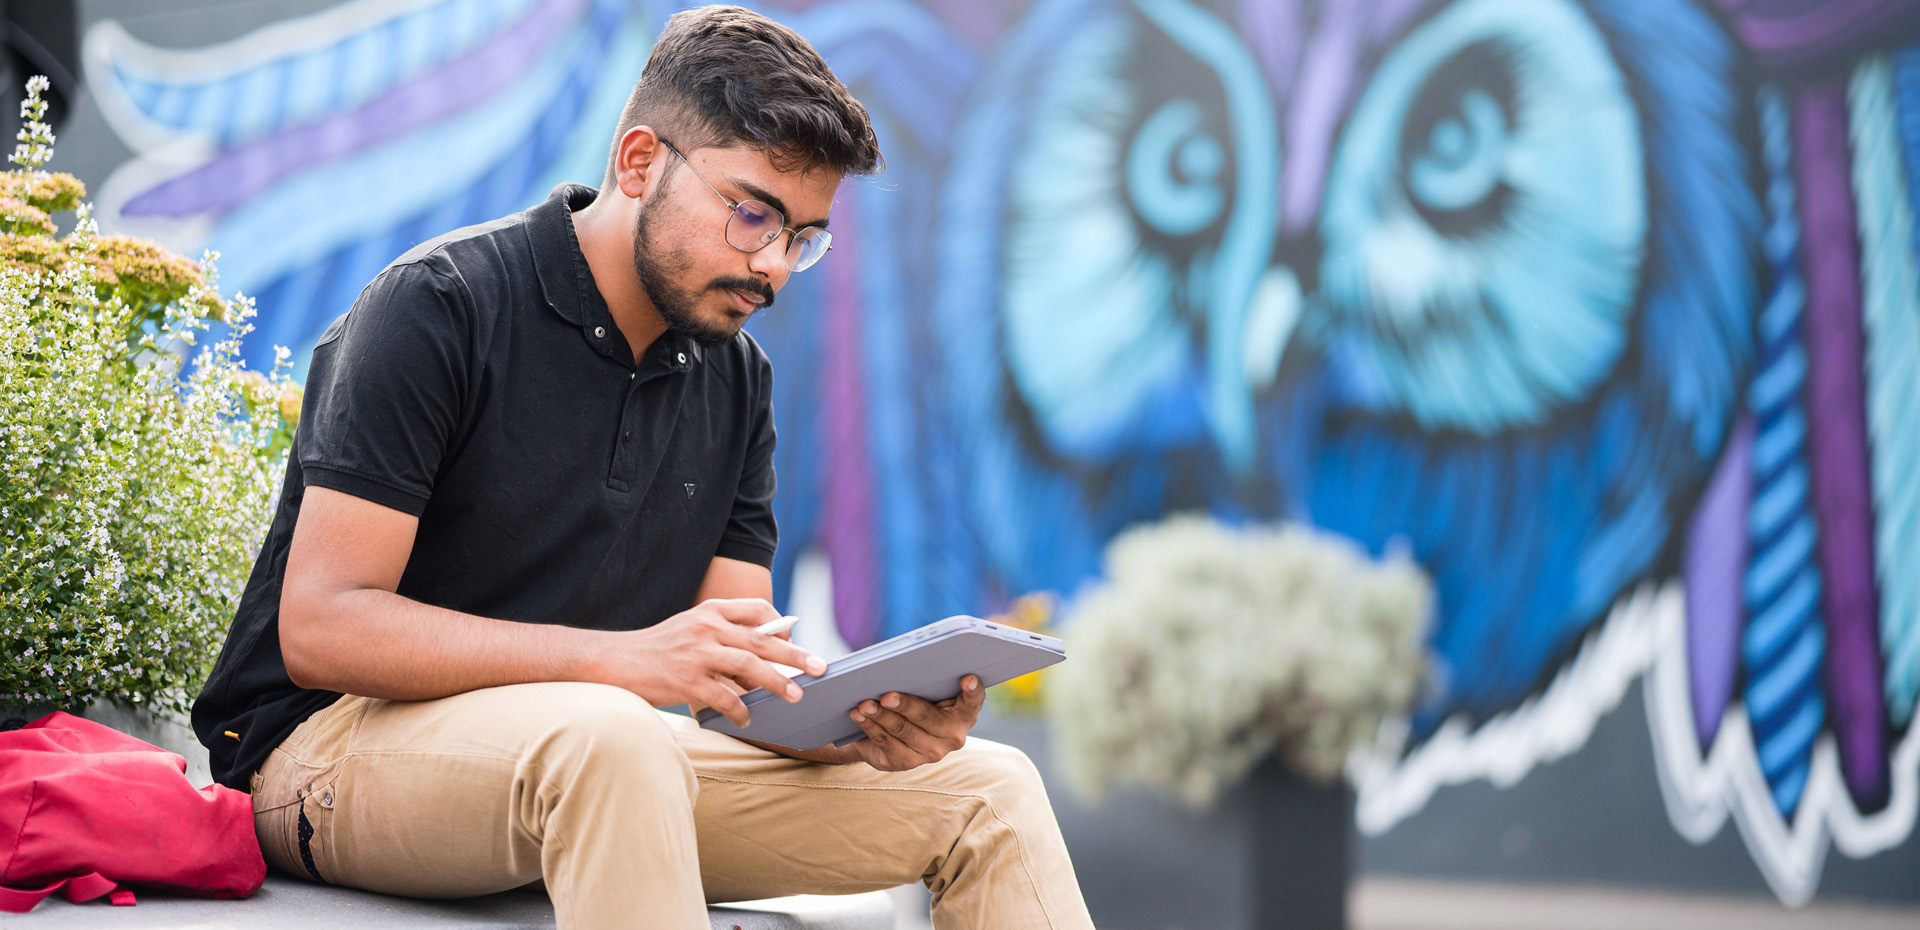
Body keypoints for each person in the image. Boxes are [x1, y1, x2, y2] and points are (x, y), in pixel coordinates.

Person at [189, 7, 1095, 929]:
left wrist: (855, 730)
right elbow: (322, 627)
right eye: (753, 215)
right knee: (614, 736)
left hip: (588, 757)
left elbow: (732, 682)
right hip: (323, 754)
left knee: (989, 788)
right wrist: (625, 665)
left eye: (805, 237)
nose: (775, 266)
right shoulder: (440, 305)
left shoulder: (738, 378)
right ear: (638, 162)